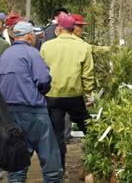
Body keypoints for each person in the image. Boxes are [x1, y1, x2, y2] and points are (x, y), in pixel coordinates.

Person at [0, 21, 63, 183]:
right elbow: (43, 80)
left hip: (9, 113)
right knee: (50, 160)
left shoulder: (6, 54)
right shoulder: (32, 53)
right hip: (33, 111)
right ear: (31, 36)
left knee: (18, 160)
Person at [40, 14, 95, 172]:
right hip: (74, 95)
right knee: (88, 127)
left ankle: (59, 170)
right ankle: (98, 156)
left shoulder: (47, 46)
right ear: (74, 29)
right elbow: (87, 74)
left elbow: (41, 72)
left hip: (53, 96)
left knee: (57, 134)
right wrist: (90, 94)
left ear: (58, 29)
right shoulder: (83, 47)